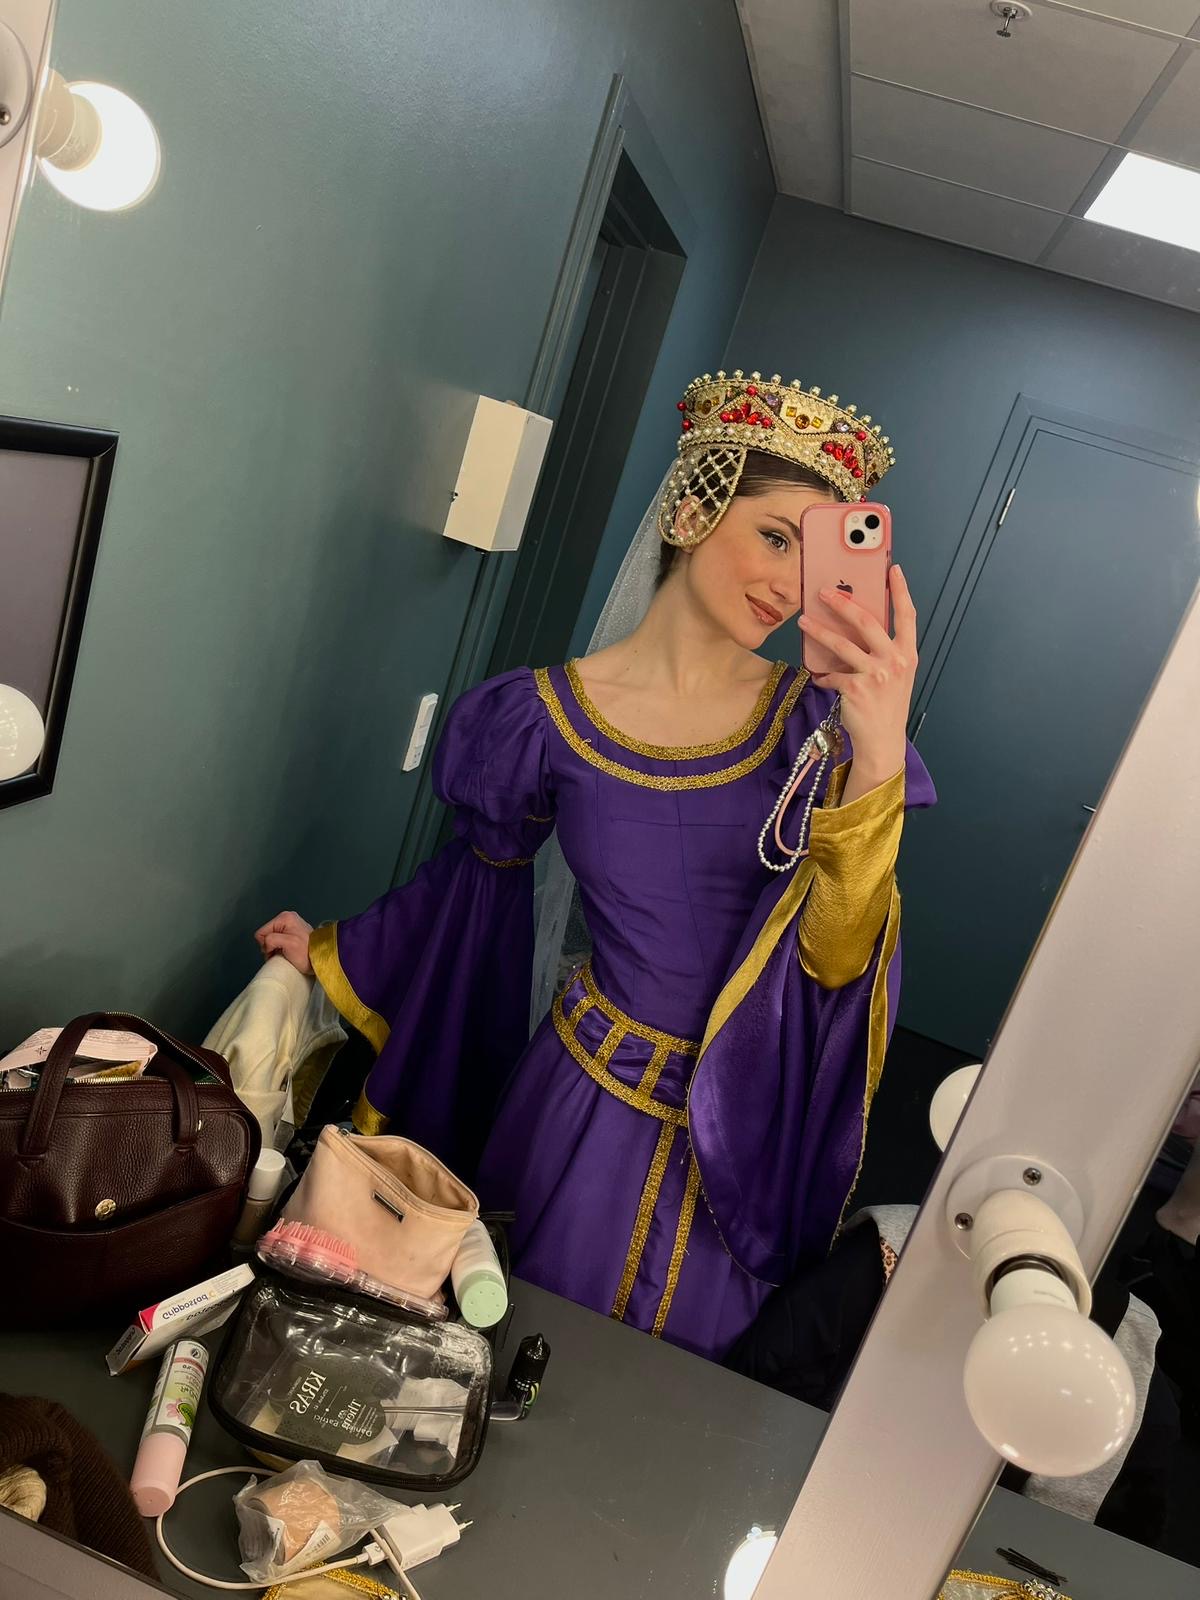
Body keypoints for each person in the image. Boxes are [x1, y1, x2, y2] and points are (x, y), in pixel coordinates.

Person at [256, 367, 935, 1361]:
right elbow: (474, 889)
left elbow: (840, 962)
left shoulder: (817, 730)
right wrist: (334, 950)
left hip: (737, 1143)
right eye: (776, 537)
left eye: (818, 552)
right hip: (578, 1104)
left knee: (673, 1391)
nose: (794, 585)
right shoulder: (540, 718)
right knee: (508, 1343)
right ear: (693, 508)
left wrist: (876, 759)